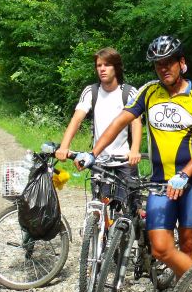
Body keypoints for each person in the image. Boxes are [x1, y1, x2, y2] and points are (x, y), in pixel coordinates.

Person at [75, 35, 192, 292]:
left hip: (191, 181)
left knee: (188, 243)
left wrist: (185, 173)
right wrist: (93, 152)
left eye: (169, 63)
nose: (163, 69)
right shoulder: (148, 92)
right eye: (158, 65)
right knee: (160, 247)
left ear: (182, 63)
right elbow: (120, 121)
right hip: (158, 181)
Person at [55, 47, 143, 194]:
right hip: (98, 159)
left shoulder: (128, 92)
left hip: (125, 159)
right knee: (99, 208)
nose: (102, 69)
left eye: (107, 65)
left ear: (116, 67)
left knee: (132, 207)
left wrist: (134, 150)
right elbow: (76, 119)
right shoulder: (91, 92)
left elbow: (136, 123)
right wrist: (64, 147)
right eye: (99, 65)